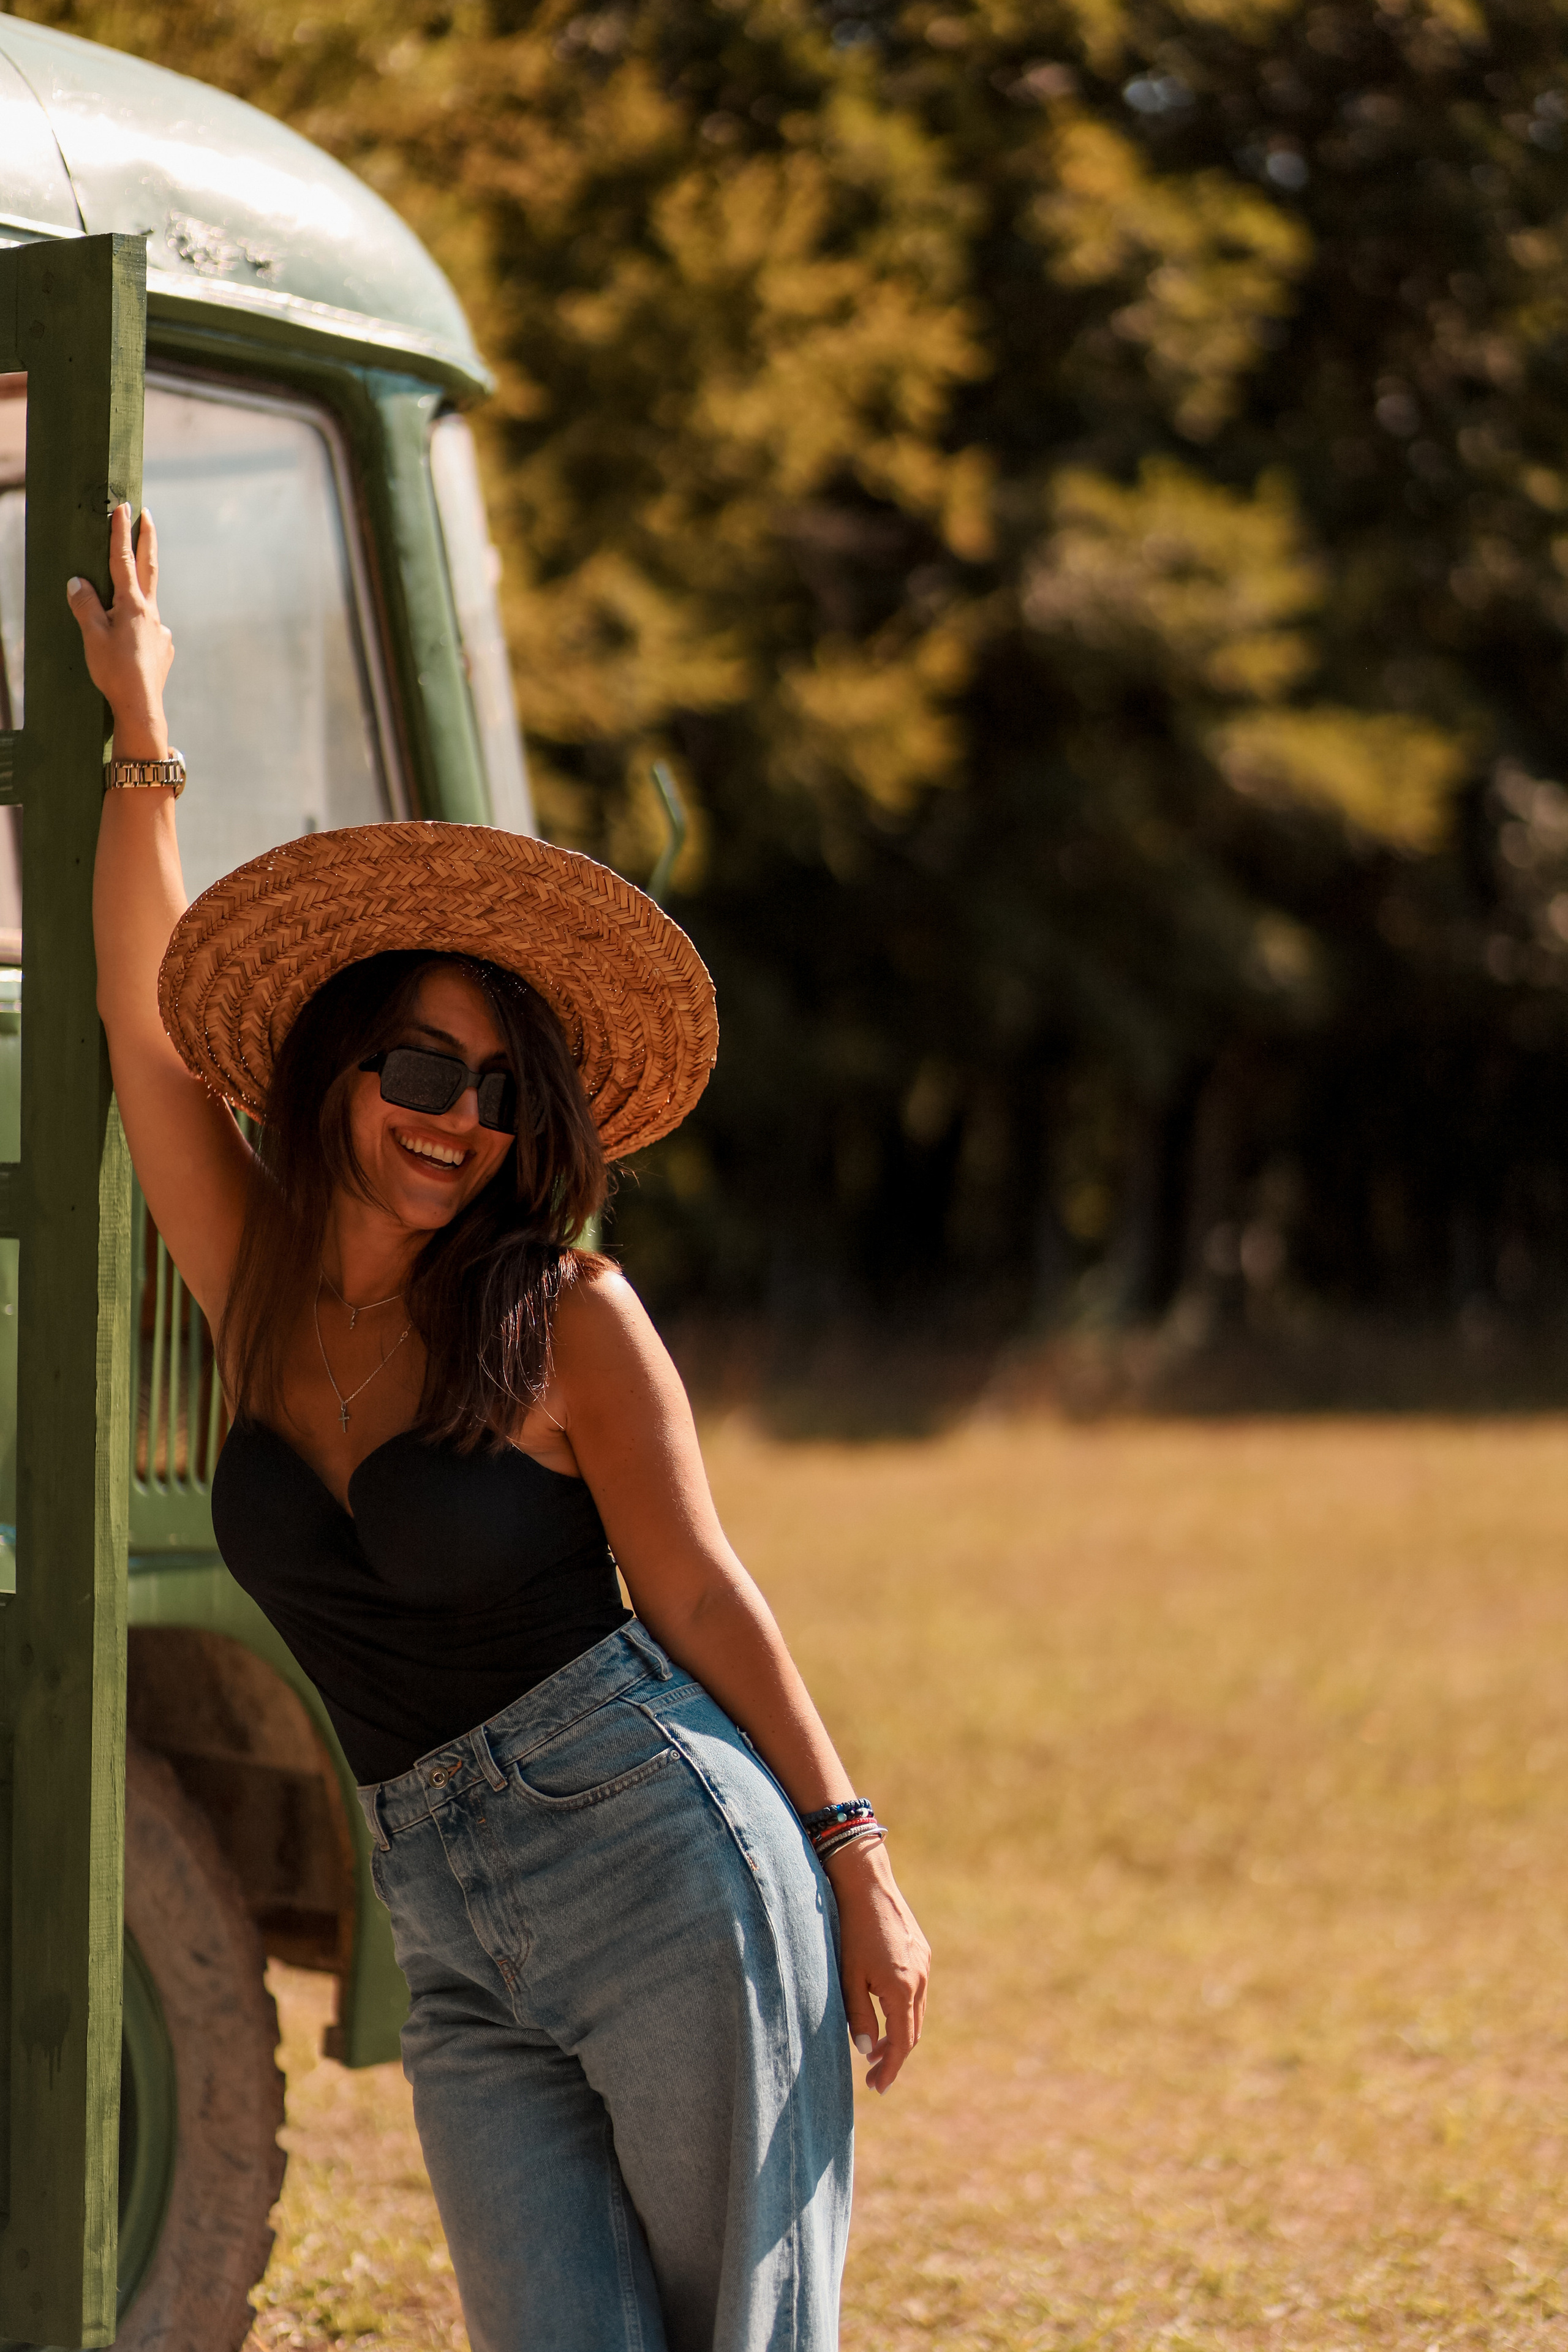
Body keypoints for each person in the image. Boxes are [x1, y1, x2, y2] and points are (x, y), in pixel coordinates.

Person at [72, 503, 930, 2352]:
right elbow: (147, 1042)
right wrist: (143, 735)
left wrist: (854, 1855)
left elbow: (701, 1593)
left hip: (660, 1861)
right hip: (446, 1917)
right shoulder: (262, 1286)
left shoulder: (570, 1318)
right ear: (341, 1071)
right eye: (420, 1067)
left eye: (496, 1091)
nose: (455, 1119)